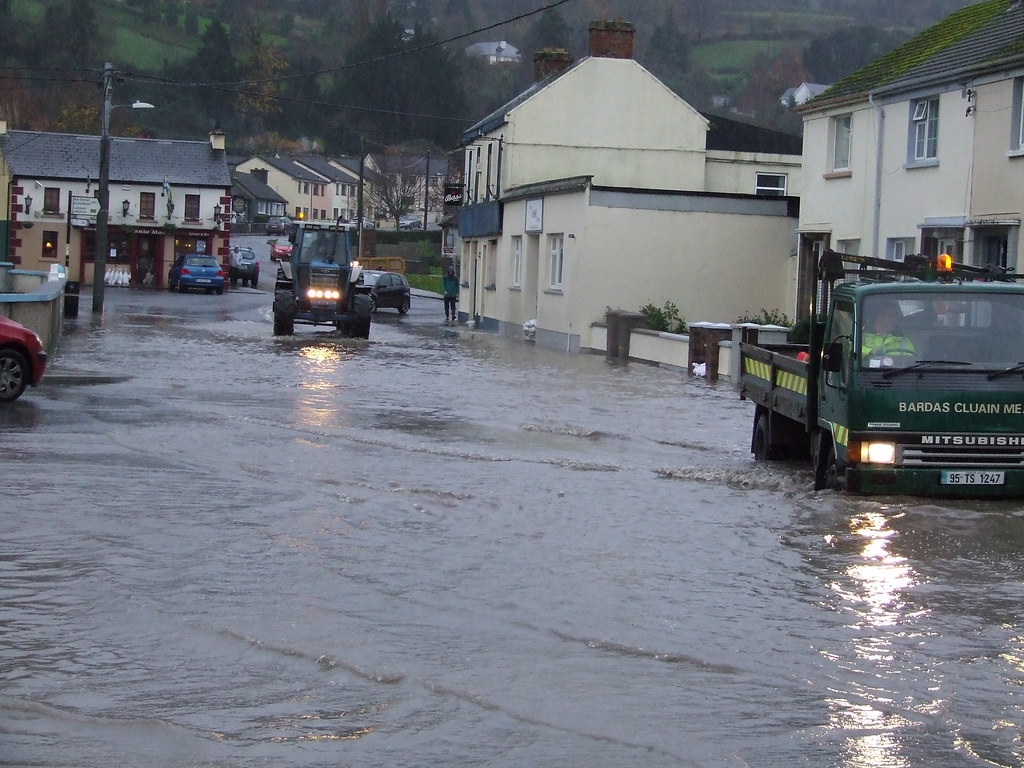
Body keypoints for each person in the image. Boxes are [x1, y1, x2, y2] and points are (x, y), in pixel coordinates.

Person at [861, 300, 915, 364]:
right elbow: (851, 351)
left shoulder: (904, 341)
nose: (895, 320)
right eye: (891, 317)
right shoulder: (861, 336)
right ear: (879, 316)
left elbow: (911, 364)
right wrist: (870, 352)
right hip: (866, 373)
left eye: (896, 317)